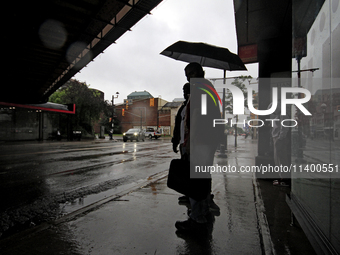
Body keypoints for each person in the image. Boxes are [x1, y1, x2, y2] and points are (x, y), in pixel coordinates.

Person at [174, 62, 221, 232]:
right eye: (187, 75)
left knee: (196, 181)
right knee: (199, 180)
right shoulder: (200, 90)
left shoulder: (203, 90)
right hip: (197, 143)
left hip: (200, 143)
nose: (189, 77)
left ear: (202, 72)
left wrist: (193, 144)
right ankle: (201, 212)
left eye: (193, 73)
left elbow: (200, 120)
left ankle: (197, 219)